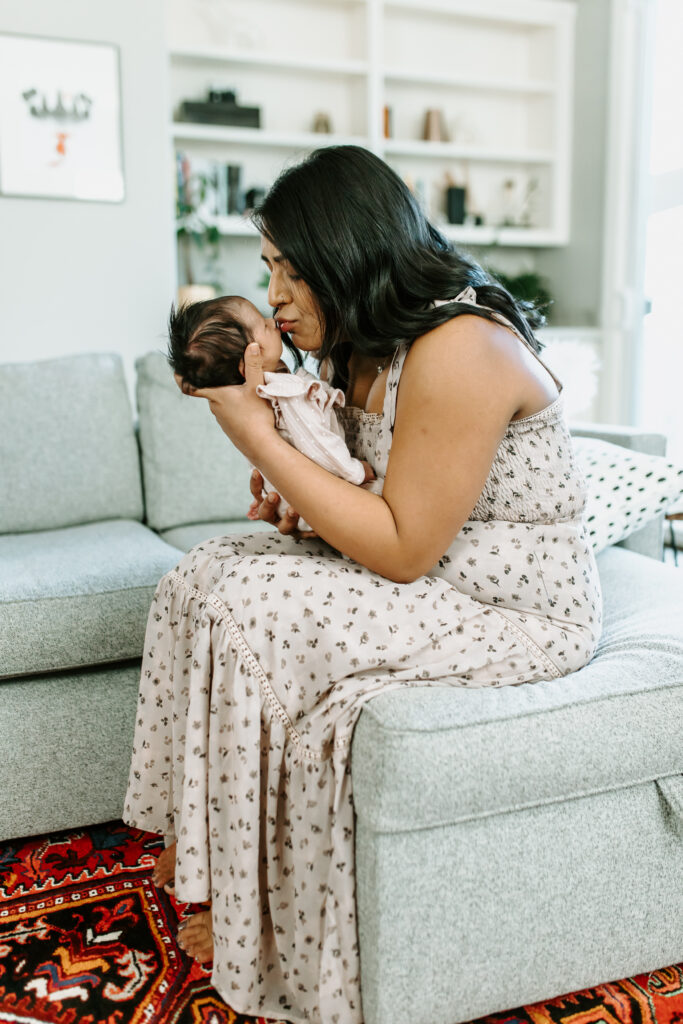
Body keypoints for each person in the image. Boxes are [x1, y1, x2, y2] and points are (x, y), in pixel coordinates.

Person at [124, 145, 602, 1024]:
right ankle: (202, 843)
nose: (271, 297)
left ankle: (262, 913)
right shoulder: (360, 344)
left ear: (348, 253)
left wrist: (256, 439)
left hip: (513, 613)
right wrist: (302, 507)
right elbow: (373, 501)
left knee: (251, 609)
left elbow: (403, 549)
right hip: (431, 578)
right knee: (199, 574)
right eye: (267, 268)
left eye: (289, 271)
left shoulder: (461, 347)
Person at [167, 294, 378, 530]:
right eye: (262, 324)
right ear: (249, 359)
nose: (272, 320)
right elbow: (317, 443)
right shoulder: (287, 393)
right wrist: (355, 471)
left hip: (304, 506)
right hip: (326, 507)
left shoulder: (262, 400)